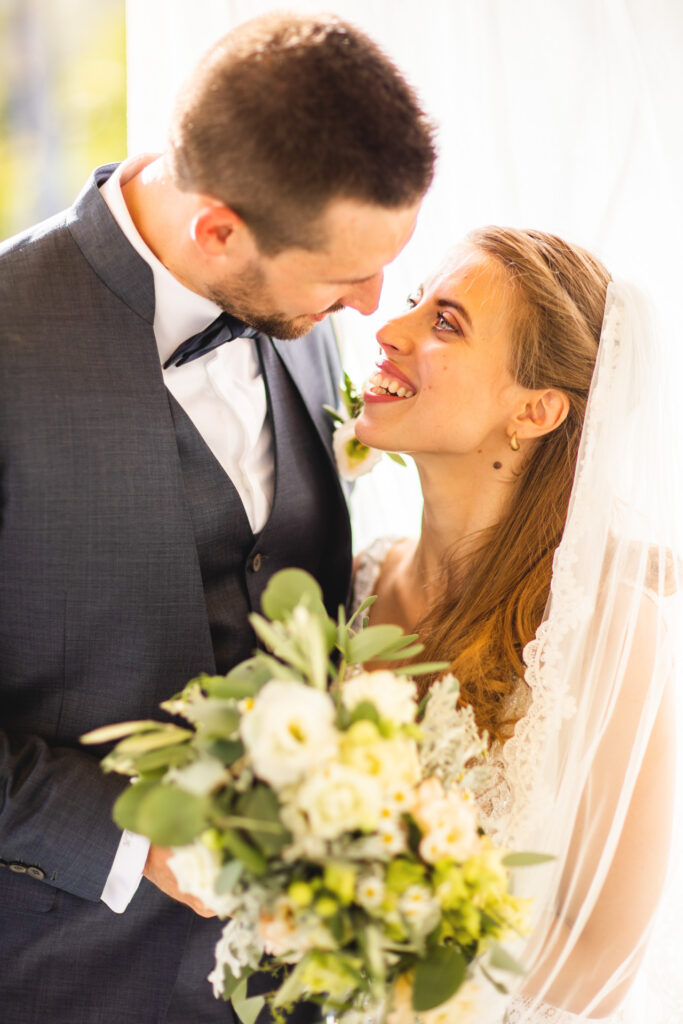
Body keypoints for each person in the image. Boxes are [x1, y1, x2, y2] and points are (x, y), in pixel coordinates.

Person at [0, 12, 435, 1024]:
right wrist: (134, 839)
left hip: (295, 986)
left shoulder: (302, 318)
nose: (374, 305)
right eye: (343, 275)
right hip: (55, 978)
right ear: (218, 230)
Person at [352, 227, 681, 1023]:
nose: (388, 332)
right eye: (413, 305)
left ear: (534, 411)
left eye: (445, 323)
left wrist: (370, 924)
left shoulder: (608, 633)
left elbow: (601, 968)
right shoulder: (357, 578)